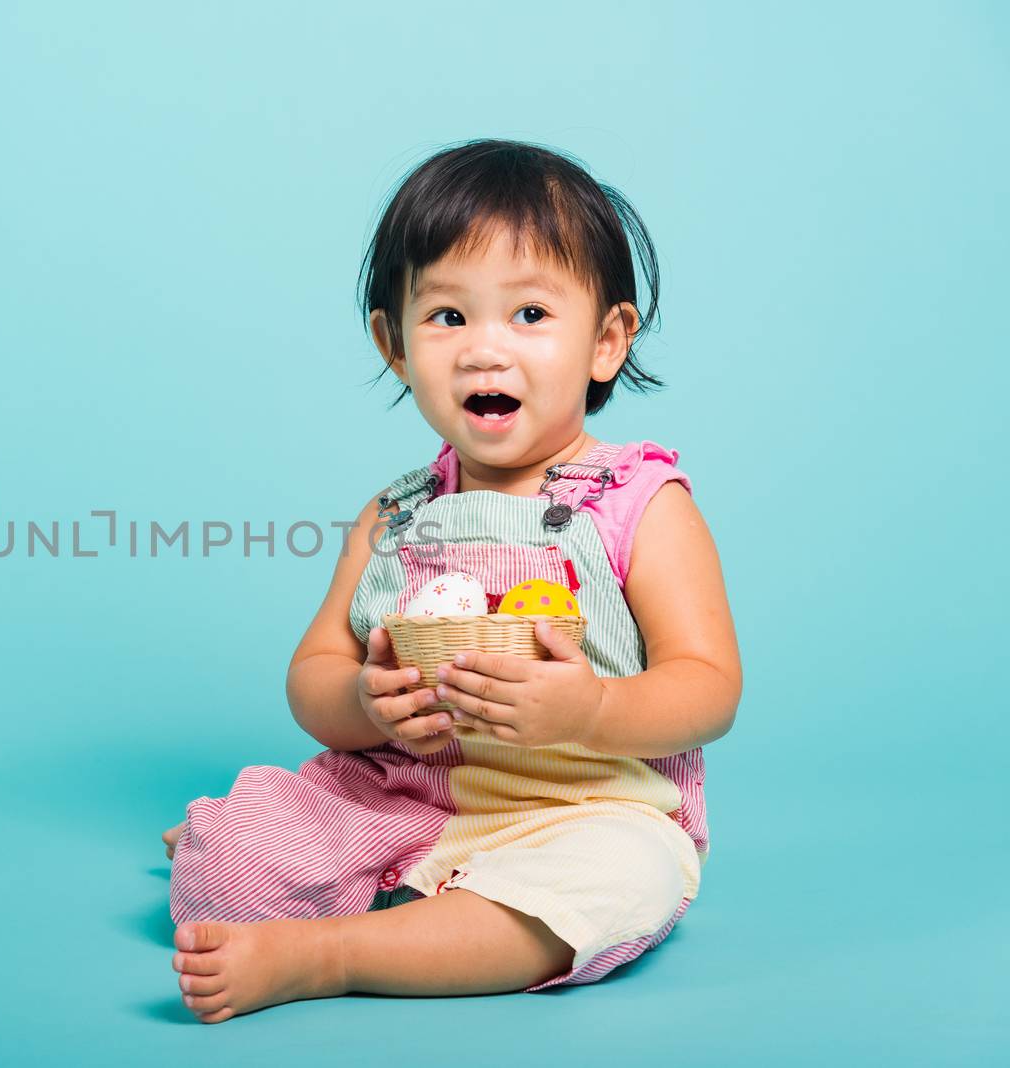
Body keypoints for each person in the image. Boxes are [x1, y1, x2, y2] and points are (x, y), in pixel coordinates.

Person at [160, 139, 743, 1024]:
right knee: (232, 853)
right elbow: (313, 675)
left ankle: (332, 953)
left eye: (531, 314)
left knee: (626, 878)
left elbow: (708, 688)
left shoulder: (638, 503)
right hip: (407, 800)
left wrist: (587, 713)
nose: (484, 352)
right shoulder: (392, 516)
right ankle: (366, 892)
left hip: (579, 808)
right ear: (394, 344)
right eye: (447, 318)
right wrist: (366, 703)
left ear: (608, 341)